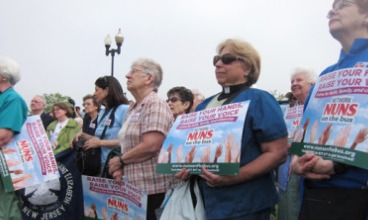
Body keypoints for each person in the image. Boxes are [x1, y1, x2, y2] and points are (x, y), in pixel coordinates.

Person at [291, 0, 368, 219]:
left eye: (343, 4)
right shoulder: (324, 77)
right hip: (317, 200)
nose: (332, 9)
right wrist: (297, 162)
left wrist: (336, 165)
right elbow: (303, 140)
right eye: (332, 5)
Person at [176, 39, 288, 220]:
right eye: (216, 60)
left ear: (247, 68)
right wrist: (186, 167)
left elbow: (278, 152)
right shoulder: (204, 104)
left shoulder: (259, 100)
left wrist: (232, 178)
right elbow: (196, 149)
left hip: (245, 205)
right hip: (204, 203)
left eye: (227, 59)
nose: (218, 64)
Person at [108, 58, 181, 220]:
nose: (127, 75)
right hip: (133, 189)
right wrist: (120, 169)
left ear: (149, 78)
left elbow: (151, 145)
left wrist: (121, 161)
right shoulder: (133, 107)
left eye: (134, 71)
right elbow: (128, 144)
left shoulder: (155, 104)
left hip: (152, 191)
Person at [278, 67, 316, 220]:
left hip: (305, 171)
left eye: (299, 80)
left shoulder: (319, 108)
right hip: (284, 171)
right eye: (292, 81)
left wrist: (293, 145)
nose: (294, 84)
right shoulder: (288, 111)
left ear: (312, 84)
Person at [77, 76, 129, 173]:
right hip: (100, 165)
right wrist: (82, 135)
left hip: (117, 167)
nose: (94, 94)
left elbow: (129, 141)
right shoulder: (102, 113)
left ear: (107, 90)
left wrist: (100, 143)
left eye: (97, 90)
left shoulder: (124, 110)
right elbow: (99, 138)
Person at [0, 56, 27, 220]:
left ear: (4, 76)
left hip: (6, 165)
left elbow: (3, 136)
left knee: (6, 208)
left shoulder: (13, 99)